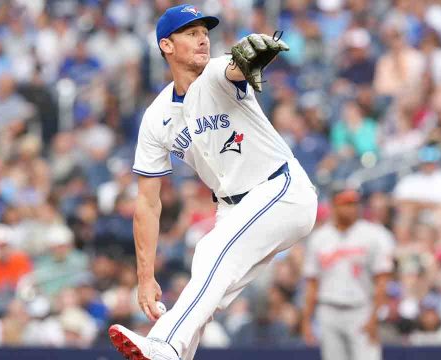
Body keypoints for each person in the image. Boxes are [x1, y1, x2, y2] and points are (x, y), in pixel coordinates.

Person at [107, 4, 319, 360]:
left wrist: (250, 59)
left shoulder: (218, 72)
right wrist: (145, 278)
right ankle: (174, 353)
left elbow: (237, 67)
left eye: (205, 32)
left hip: (281, 190)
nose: (203, 39)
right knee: (208, 285)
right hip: (233, 208)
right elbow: (147, 202)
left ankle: (165, 344)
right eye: (191, 33)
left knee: (210, 253)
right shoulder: (157, 116)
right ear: (166, 46)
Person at [301, 188, 393, 360]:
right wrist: (306, 321)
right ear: (333, 207)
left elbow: (382, 281)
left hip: (361, 309)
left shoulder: (373, 235)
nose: (351, 209)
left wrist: (374, 317)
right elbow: (312, 283)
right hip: (328, 309)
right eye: (345, 204)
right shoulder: (319, 238)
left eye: (354, 204)